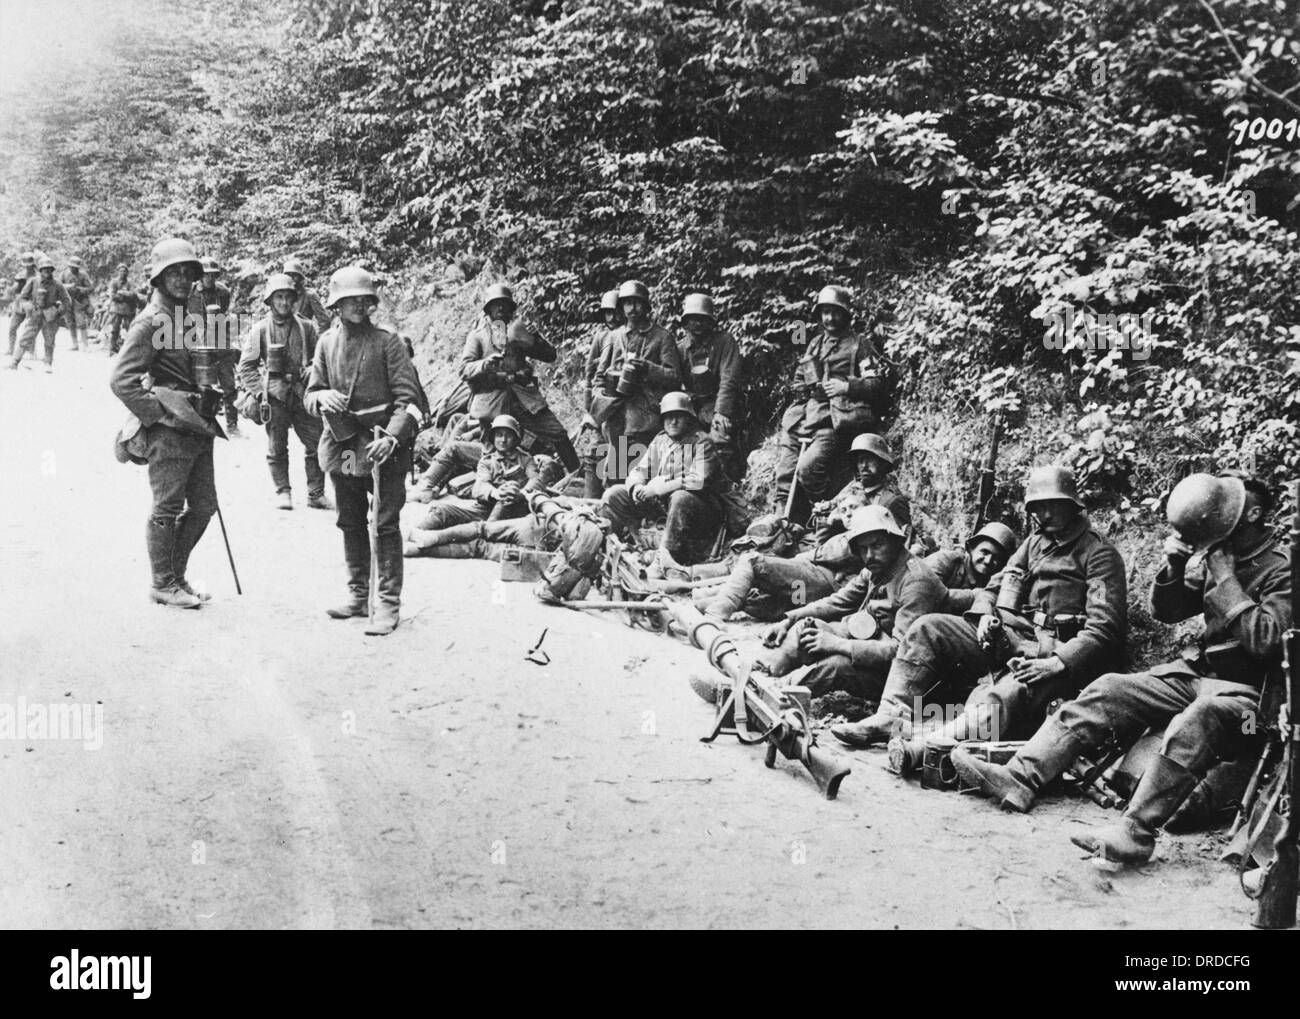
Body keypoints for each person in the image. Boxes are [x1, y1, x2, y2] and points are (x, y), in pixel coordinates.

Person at [955, 472, 1291, 867]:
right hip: (1200, 675)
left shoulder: (1283, 567)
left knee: (1200, 716)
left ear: (1252, 515)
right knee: (1111, 687)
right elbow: (1168, 612)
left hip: (1257, 705)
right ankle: (1022, 776)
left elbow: (1269, 640)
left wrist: (1227, 579)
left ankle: (1136, 833)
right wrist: (1174, 566)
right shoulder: (1224, 552)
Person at [831, 465, 1127, 750]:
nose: (1044, 514)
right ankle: (890, 716)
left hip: (1055, 651)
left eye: (1053, 506)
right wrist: (985, 615)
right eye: (1038, 507)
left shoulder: (1099, 554)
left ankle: (931, 741)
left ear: (1072, 504)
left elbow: (1104, 629)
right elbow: (995, 585)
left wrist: (1056, 662)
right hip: (1014, 635)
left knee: (1008, 692)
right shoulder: (1035, 543)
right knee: (929, 627)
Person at [304, 265, 423, 636]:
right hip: (345, 447)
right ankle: (358, 595)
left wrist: (392, 436)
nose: (357, 305)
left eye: (363, 299)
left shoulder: (389, 341)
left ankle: (387, 603)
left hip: (382, 446)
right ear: (335, 305)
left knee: (385, 523)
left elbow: (409, 399)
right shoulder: (325, 343)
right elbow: (309, 395)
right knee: (350, 520)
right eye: (348, 300)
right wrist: (321, 395)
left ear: (372, 303)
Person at [108, 238, 224, 609]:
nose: (182, 278)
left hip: (197, 422)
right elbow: (122, 380)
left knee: (204, 505)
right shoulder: (149, 321)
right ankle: (162, 582)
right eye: (173, 272)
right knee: (167, 507)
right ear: (158, 277)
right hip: (170, 430)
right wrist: (158, 413)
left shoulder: (186, 316)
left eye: (188, 272)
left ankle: (176, 576)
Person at [702, 432, 912, 621]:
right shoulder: (854, 489)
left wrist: (813, 554)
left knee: (754, 563)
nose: (863, 466)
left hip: (835, 577)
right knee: (764, 600)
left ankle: (713, 617)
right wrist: (827, 514)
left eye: (870, 459)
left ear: (884, 463)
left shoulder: (891, 502)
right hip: (817, 578)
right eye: (860, 460)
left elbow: (894, 549)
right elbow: (826, 516)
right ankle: (701, 601)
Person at [749, 505, 948, 699]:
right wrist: (788, 619)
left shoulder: (916, 582)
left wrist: (837, 644)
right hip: (870, 644)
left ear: (895, 541)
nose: (869, 555)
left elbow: (901, 651)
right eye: (863, 548)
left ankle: (778, 695)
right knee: (806, 628)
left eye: (877, 545)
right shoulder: (876, 570)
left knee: (836, 666)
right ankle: (762, 673)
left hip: (903, 678)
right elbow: (837, 602)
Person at [773, 284, 896, 525]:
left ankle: (825, 517)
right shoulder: (815, 343)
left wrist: (846, 387)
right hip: (808, 415)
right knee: (786, 465)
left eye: (835, 311)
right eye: (825, 312)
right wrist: (809, 387)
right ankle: (781, 519)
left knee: (808, 469)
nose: (829, 318)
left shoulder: (859, 345)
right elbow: (799, 380)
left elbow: (877, 384)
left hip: (837, 420)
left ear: (846, 314)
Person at [458, 283, 579, 473]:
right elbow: (464, 369)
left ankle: (576, 475)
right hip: (492, 400)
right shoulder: (478, 337)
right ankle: (490, 486)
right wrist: (484, 364)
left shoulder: (518, 331)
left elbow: (550, 356)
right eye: (495, 304)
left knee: (557, 433)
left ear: (510, 309)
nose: (500, 308)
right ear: (488, 309)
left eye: (504, 304)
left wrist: (533, 338)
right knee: (492, 450)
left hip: (523, 397)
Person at [599, 392, 725, 570]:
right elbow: (640, 469)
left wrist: (661, 487)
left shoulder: (702, 442)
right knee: (613, 495)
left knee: (680, 497)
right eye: (668, 417)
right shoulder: (660, 441)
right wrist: (636, 486)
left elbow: (700, 480)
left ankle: (664, 559)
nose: (672, 422)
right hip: (665, 509)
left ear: (688, 418)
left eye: (678, 417)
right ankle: (629, 546)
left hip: (699, 512)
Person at [237, 273, 328, 510]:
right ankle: (283, 491)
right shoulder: (260, 330)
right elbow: (246, 367)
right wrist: (260, 393)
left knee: (317, 442)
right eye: (279, 297)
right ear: (270, 300)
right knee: (277, 446)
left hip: (302, 392)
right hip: (274, 395)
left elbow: (321, 361)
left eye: (288, 297)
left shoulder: (307, 328)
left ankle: (316, 493)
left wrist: (311, 373)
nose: (284, 303)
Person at [591, 280, 684, 486]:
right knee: (615, 476)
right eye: (627, 303)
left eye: (637, 303)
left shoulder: (662, 337)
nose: (632, 309)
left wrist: (647, 368)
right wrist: (602, 399)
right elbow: (598, 378)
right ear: (621, 308)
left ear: (646, 306)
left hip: (646, 417)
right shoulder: (614, 337)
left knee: (643, 475)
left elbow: (675, 377)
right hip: (616, 417)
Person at [407, 414, 539, 539]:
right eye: (499, 435)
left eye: (508, 436)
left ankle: (477, 533)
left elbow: (535, 480)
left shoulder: (526, 459)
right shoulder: (486, 461)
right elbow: (480, 485)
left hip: (514, 510)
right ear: (492, 438)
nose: (503, 440)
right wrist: (495, 492)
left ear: (516, 438)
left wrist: (521, 494)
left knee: (508, 492)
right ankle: (415, 535)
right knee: (442, 511)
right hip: (485, 508)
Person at [677, 292, 742, 478]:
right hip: (692, 406)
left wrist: (721, 411)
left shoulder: (724, 342)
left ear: (711, 322)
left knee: (720, 440)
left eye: (703, 320)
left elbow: (729, 379)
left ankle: (726, 488)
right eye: (693, 319)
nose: (698, 325)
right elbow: (673, 381)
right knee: (684, 442)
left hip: (718, 403)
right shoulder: (680, 348)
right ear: (685, 322)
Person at [580, 289, 623, 496]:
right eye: (607, 313)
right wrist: (590, 409)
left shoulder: (629, 336)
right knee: (594, 451)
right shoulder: (601, 337)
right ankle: (592, 497)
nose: (612, 318)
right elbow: (590, 374)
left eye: (616, 312)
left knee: (620, 454)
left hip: (625, 406)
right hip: (602, 404)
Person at [924, 521, 1017, 614]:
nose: (988, 561)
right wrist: (973, 596)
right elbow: (924, 595)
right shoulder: (944, 560)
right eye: (984, 552)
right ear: (971, 548)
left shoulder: (995, 581)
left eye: (997, 558)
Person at [194, 256, 240, 435]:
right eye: (206, 275)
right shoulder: (192, 293)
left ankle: (232, 424)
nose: (210, 279)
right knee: (201, 384)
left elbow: (225, 312)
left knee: (228, 383)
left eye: (213, 275)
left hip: (221, 341)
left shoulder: (223, 292)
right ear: (200, 276)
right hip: (198, 341)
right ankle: (203, 422)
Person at [9, 254, 70, 373]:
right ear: (40, 270)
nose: (47, 271)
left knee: (49, 340)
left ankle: (48, 363)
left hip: (50, 316)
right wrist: (29, 307)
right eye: (44, 269)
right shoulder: (33, 281)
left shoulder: (57, 284)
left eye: (49, 269)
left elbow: (67, 301)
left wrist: (58, 312)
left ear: (52, 270)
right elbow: (23, 297)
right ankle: (15, 362)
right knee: (26, 338)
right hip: (35, 314)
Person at [283, 257, 332, 332]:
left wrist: (315, 340)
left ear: (300, 277)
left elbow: (324, 321)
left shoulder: (309, 295)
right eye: (288, 275)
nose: (292, 278)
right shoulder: (282, 296)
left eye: (294, 275)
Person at [103, 264, 140, 355]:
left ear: (127, 272)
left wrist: (122, 293)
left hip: (128, 309)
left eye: (124, 271)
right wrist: (124, 297)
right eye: (121, 271)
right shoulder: (114, 282)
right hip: (116, 308)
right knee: (115, 329)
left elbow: (133, 294)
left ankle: (131, 350)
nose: (123, 273)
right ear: (118, 272)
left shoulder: (130, 282)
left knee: (130, 329)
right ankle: (112, 348)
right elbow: (112, 295)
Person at [6, 252, 36, 360]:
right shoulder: (20, 275)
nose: (27, 267)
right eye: (25, 265)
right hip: (19, 306)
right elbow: (14, 290)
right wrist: (12, 288)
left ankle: (31, 352)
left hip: (32, 305)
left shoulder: (38, 277)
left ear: (33, 265)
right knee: (12, 328)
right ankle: (11, 349)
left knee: (30, 330)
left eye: (29, 265)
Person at [60, 256, 94, 351]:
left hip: (79, 302)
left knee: (82, 323)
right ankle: (74, 343)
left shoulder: (83, 275)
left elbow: (90, 288)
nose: (73, 268)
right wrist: (68, 287)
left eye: (75, 267)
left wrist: (80, 290)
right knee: (70, 323)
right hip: (67, 301)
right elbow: (58, 286)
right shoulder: (64, 274)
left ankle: (85, 345)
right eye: (71, 266)